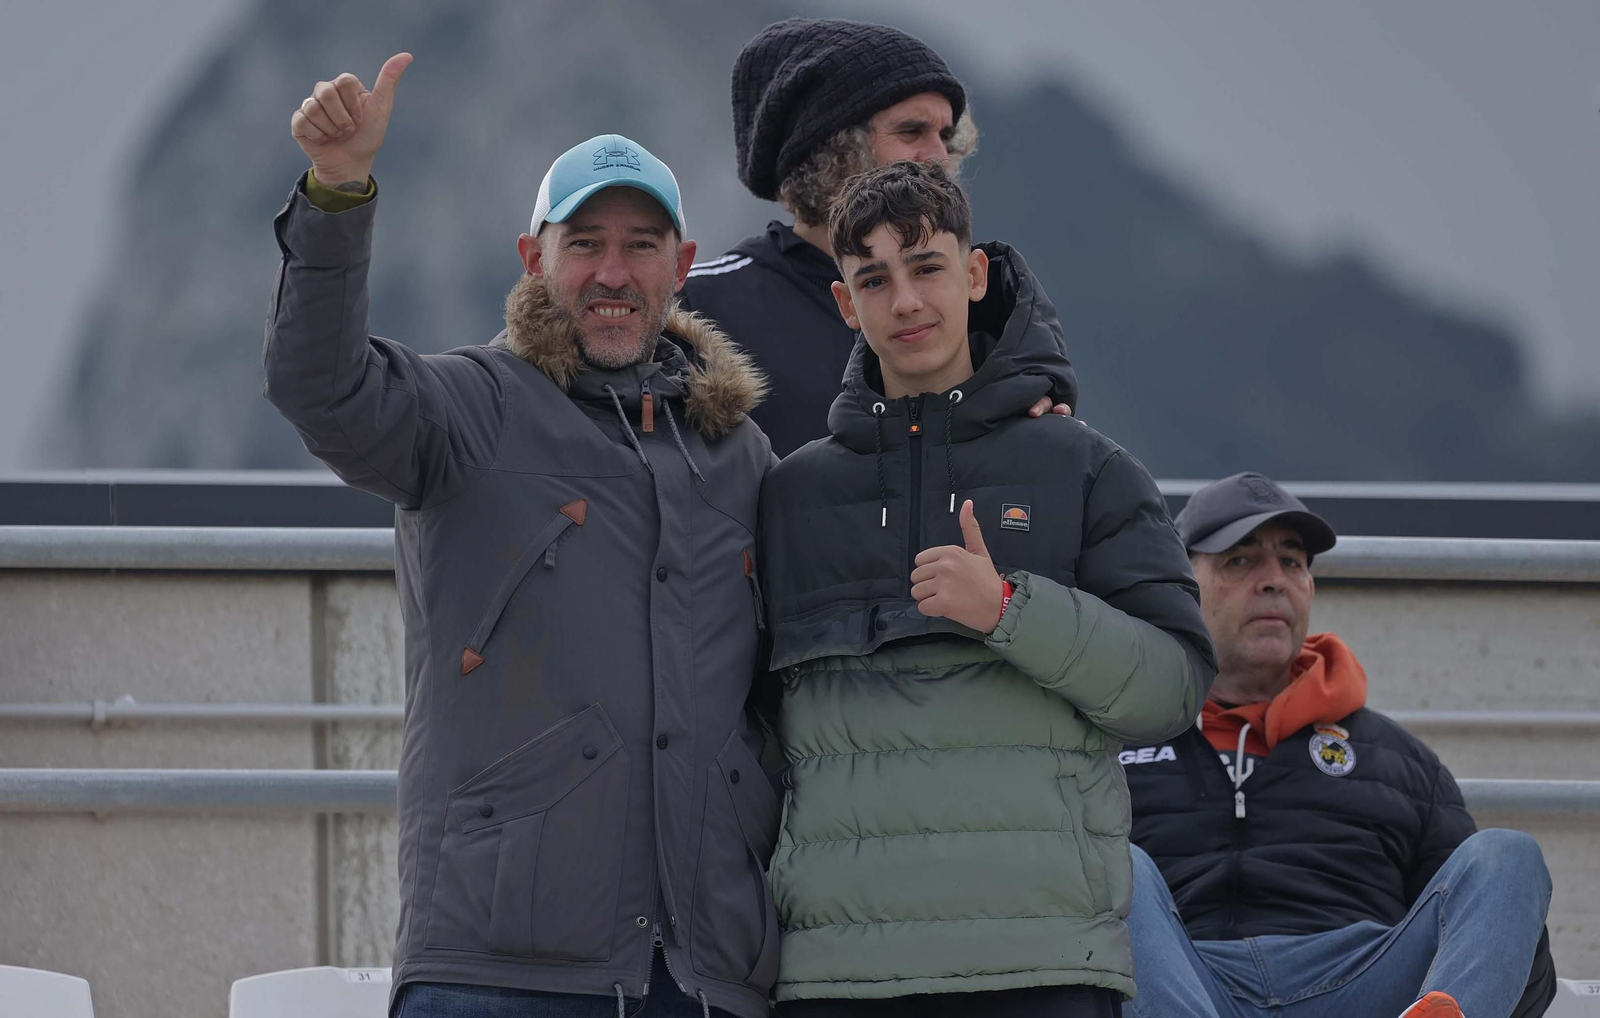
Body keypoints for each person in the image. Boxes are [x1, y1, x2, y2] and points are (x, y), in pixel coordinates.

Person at [268, 54, 781, 1017]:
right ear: (532, 259)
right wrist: (337, 191)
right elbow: (322, 389)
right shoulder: (469, 408)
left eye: (640, 245)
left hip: (707, 974)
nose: (613, 273)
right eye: (583, 242)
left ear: (684, 262)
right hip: (497, 967)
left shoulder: (739, 453)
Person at [755, 160, 1217, 1015]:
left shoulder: (1088, 469)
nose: (906, 303)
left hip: (1039, 964)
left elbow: (1172, 689)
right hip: (835, 976)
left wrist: (1009, 612)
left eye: (926, 268)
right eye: (874, 281)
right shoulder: (790, 496)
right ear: (844, 306)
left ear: (973, 276)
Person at [1122, 472, 1557, 1018]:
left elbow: (1485, 942)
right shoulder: (1115, 740)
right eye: (1240, 560)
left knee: (1507, 856)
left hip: (1364, 985)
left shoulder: (1399, 760)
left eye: (1292, 562)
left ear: (1309, 588)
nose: (1273, 580)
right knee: (1117, 868)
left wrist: (1502, 959)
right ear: (1183, 584)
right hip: (1184, 984)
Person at [682, 18, 1073, 457]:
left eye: (946, 136)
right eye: (912, 132)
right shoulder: (702, 308)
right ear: (833, 151)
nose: (941, 157)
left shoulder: (990, 301)